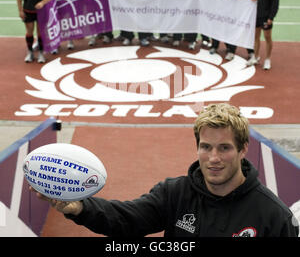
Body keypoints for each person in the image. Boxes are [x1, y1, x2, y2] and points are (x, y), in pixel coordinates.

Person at [30, 103, 299, 237]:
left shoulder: (273, 216)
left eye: (224, 148)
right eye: (206, 147)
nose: (213, 158)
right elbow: (127, 218)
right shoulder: (175, 193)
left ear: (243, 149)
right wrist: (79, 208)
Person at [247, 0, 279, 70]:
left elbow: (275, 4)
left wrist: (271, 17)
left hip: (266, 17)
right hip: (256, 16)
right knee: (256, 37)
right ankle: (255, 57)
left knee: (267, 37)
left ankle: (268, 59)